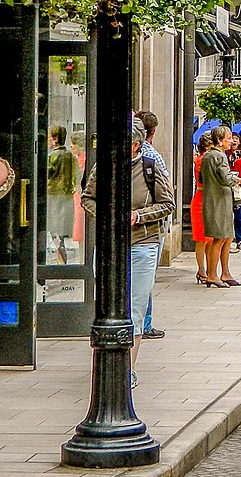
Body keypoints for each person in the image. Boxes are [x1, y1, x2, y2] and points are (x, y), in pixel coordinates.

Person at [81, 117, 175, 389]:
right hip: (110, 245)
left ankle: (128, 369)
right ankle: (104, 363)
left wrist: (138, 216)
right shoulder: (104, 167)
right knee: (106, 305)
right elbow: (88, 198)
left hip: (143, 245)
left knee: (135, 308)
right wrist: (108, 216)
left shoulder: (150, 168)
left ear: (135, 145)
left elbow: (167, 204)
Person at [137, 111, 170, 340]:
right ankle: (144, 323)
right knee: (145, 278)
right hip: (149, 229)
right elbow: (167, 193)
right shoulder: (153, 157)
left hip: (138, 225)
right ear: (153, 131)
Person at [200, 126, 239, 288]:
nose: (231, 141)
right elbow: (225, 178)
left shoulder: (208, 156)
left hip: (213, 199)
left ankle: (220, 273)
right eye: (228, 138)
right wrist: (238, 180)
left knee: (224, 237)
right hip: (219, 201)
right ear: (220, 140)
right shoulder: (219, 156)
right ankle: (213, 275)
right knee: (220, 238)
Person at [46, 126, 77, 263]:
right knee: (63, 225)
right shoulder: (70, 156)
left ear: (55, 139)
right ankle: (61, 249)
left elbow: (47, 173)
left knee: (54, 225)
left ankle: (59, 249)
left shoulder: (53, 156)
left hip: (53, 195)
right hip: (67, 195)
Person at [191, 132, 213, 283]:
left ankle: (208, 269)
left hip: (208, 199)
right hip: (201, 199)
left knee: (210, 239)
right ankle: (201, 269)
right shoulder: (201, 160)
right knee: (201, 239)